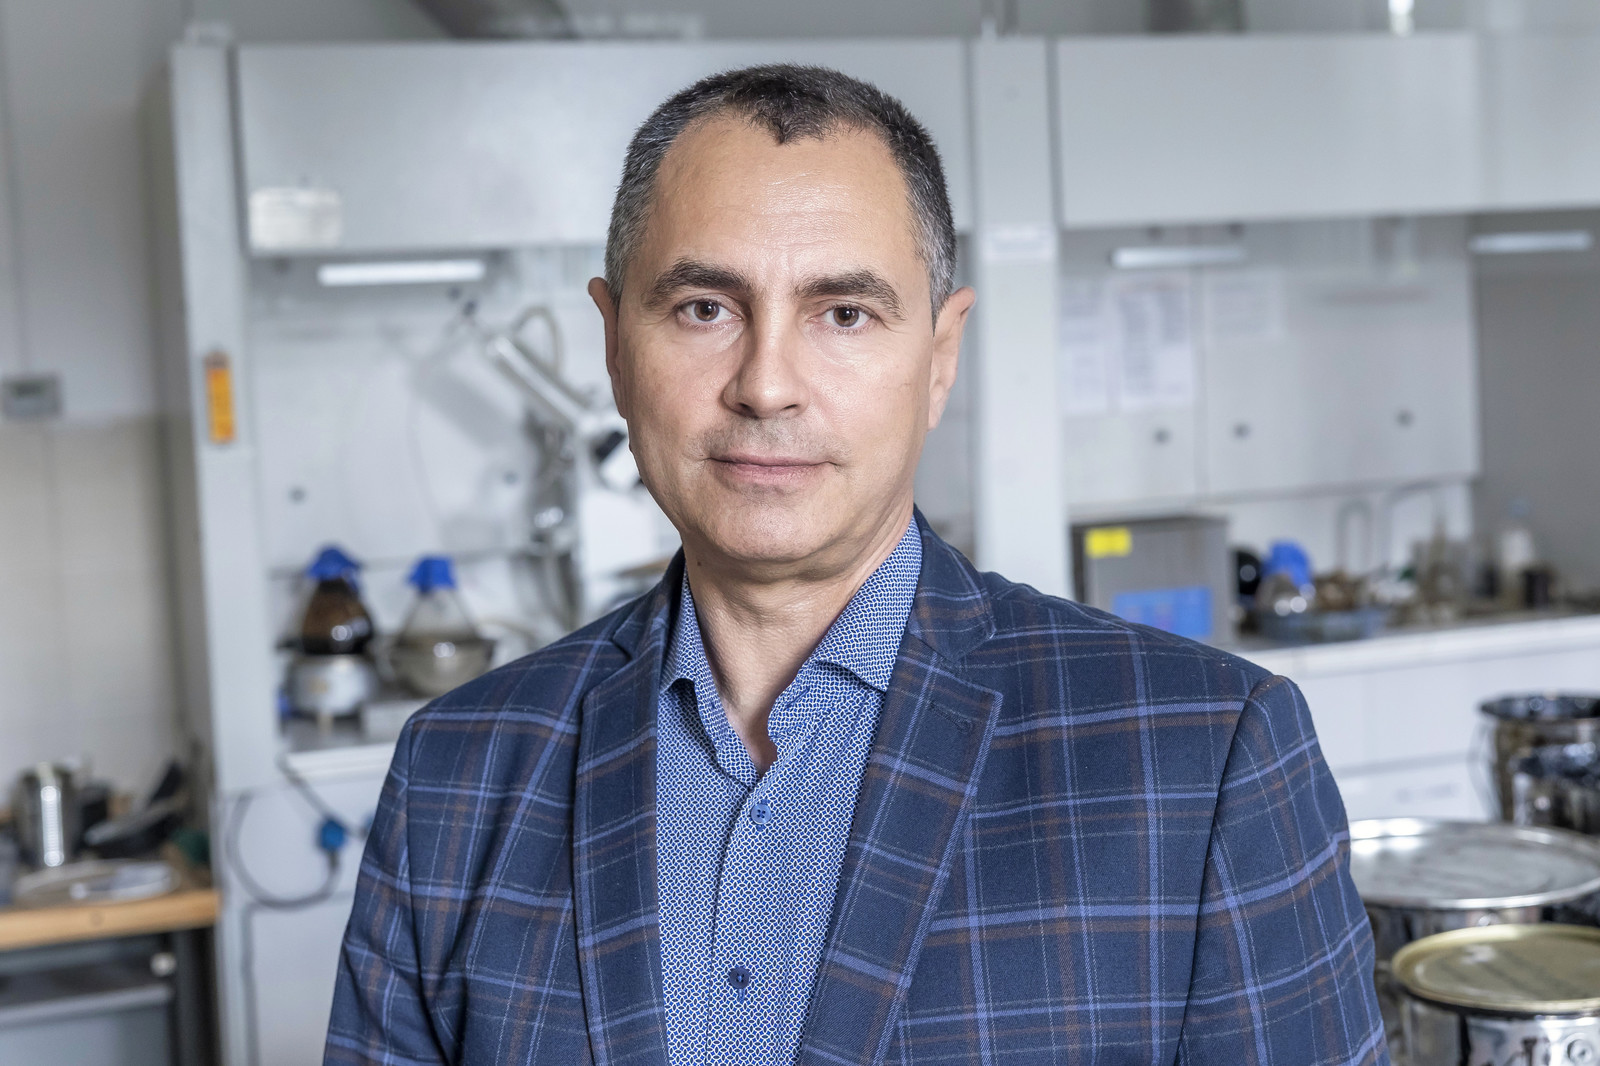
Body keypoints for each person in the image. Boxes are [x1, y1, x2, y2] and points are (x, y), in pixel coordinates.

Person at [326, 65, 1386, 1066]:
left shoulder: (1202, 758)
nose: (766, 384)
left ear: (939, 356)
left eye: (843, 313)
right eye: (704, 308)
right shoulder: (454, 776)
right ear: (613, 345)